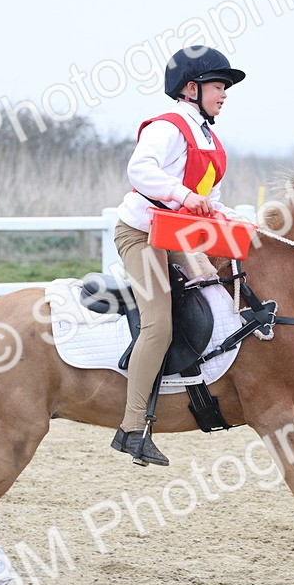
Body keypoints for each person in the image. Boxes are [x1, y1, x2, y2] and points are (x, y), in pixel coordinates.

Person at [111, 45, 245, 467]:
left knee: (222, 293)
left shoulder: (210, 138)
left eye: (225, 88)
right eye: (218, 86)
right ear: (192, 88)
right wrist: (184, 195)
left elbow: (210, 198)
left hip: (178, 237)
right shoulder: (168, 127)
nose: (224, 94)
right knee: (159, 325)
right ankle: (132, 428)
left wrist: (228, 214)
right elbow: (140, 171)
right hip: (141, 236)